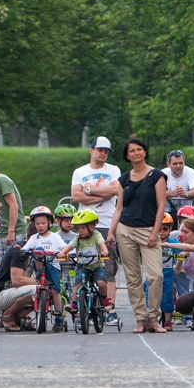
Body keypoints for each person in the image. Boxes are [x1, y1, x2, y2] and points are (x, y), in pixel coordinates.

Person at [107, 138, 168, 333]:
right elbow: (118, 208)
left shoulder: (156, 176)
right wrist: (111, 230)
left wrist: (155, 232)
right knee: (132, 278)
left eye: (139, 149)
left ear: (145, 152)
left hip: (148, 230)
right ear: (127, 155)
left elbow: (161, 206)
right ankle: (141, 319)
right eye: (132, 151)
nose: (136, 153)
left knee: (155, 276)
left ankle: (154, 317)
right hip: (125, 229)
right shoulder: (123, 179)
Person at [71, 136, 122, 326]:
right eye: (100, 150)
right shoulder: (80, 171)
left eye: (106, 151)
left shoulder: (113, 170)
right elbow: (76, 196)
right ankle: (84, 307)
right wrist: (103, 192)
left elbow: (116, 190)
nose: (103, 154)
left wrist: (90, 192)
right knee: (84, 266)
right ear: (91, 150)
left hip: (107, 224)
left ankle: (110, 310)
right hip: (84, 224)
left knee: (108, 268)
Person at [16, 207, 66, 332]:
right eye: (37, 224)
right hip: (39, 265)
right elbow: (26, 248)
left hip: (52, 265)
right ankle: (40, 274)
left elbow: (65, 248)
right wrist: (20, 250)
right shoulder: (34, 238)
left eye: (43, 223)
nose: (40, 226)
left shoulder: (55, 237)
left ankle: (58, 316)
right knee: (36, 250)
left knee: (55, 291)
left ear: (49, 223)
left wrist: (64, 253)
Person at [57, 209, 109, 312]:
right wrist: (62, 253)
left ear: (92, 227)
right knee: (78, 284)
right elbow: (70, 246)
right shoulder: (78, 238)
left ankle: (104, 300)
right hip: (82, 265)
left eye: (83, 228)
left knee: (101, 283)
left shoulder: (96, 235)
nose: (80, 231)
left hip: (97, 266)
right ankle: (74, 304)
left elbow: (102, 245)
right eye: (78, 228)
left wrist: (104, 251)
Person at [166, 205, 194, 327]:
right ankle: (178, 317)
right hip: (177, 266)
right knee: (177, 293)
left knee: (187, 291)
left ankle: (190, 317)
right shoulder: (173, 235)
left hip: (191, 269)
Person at [0, 245, 39, 332]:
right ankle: (8, 314)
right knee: (38, 290)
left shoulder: (44, 249)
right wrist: (40, 283)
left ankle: (19, 317)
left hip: (17, 293)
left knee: (50, 292)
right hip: (3, 293)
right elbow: (16, 281)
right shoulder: (19, 250)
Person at [143, 213, 176, 329]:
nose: (162, 232)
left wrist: (183, 254)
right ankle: (150, 319)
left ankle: (167, 320)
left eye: (165, 229)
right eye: (159, 228)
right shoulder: (151, 242)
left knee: (168, 296)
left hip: (168, 275)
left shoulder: (172, 243)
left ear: (170, 229)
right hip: (152, 274)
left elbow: (183, 249)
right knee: (149, 295)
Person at [162, 150, 194, 218]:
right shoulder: (162, 173)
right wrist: (173, 193)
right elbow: (156, 192)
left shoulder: (190, 172)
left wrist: (185, 193)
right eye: (175, 164)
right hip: (167, 213)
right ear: (168, 164)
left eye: (181, 163)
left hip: (187, 214)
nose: (178, 166)